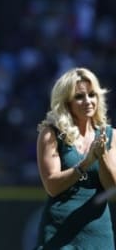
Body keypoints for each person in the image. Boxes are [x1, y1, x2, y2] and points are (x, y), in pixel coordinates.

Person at [35, 67, 116, 249]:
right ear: (66, 103)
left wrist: (101, 155)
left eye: (92, 95)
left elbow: (112, 187)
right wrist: (87, 162)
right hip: (59, 232)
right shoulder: (51, 133)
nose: (88, 101)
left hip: (98, 234)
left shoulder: (110, 135)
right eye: (79, 97)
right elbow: (52, 187)